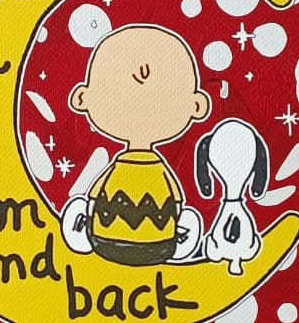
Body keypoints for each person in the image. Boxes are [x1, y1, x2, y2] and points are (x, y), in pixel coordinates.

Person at [61, 25, 210, 265]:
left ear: (197, 105)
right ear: (82, 98)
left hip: (157, 238)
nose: (143, 73)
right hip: (107, 235)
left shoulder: (158, 169)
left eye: (166, 88)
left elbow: (175, 198)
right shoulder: (120, 168)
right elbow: (96, 192)